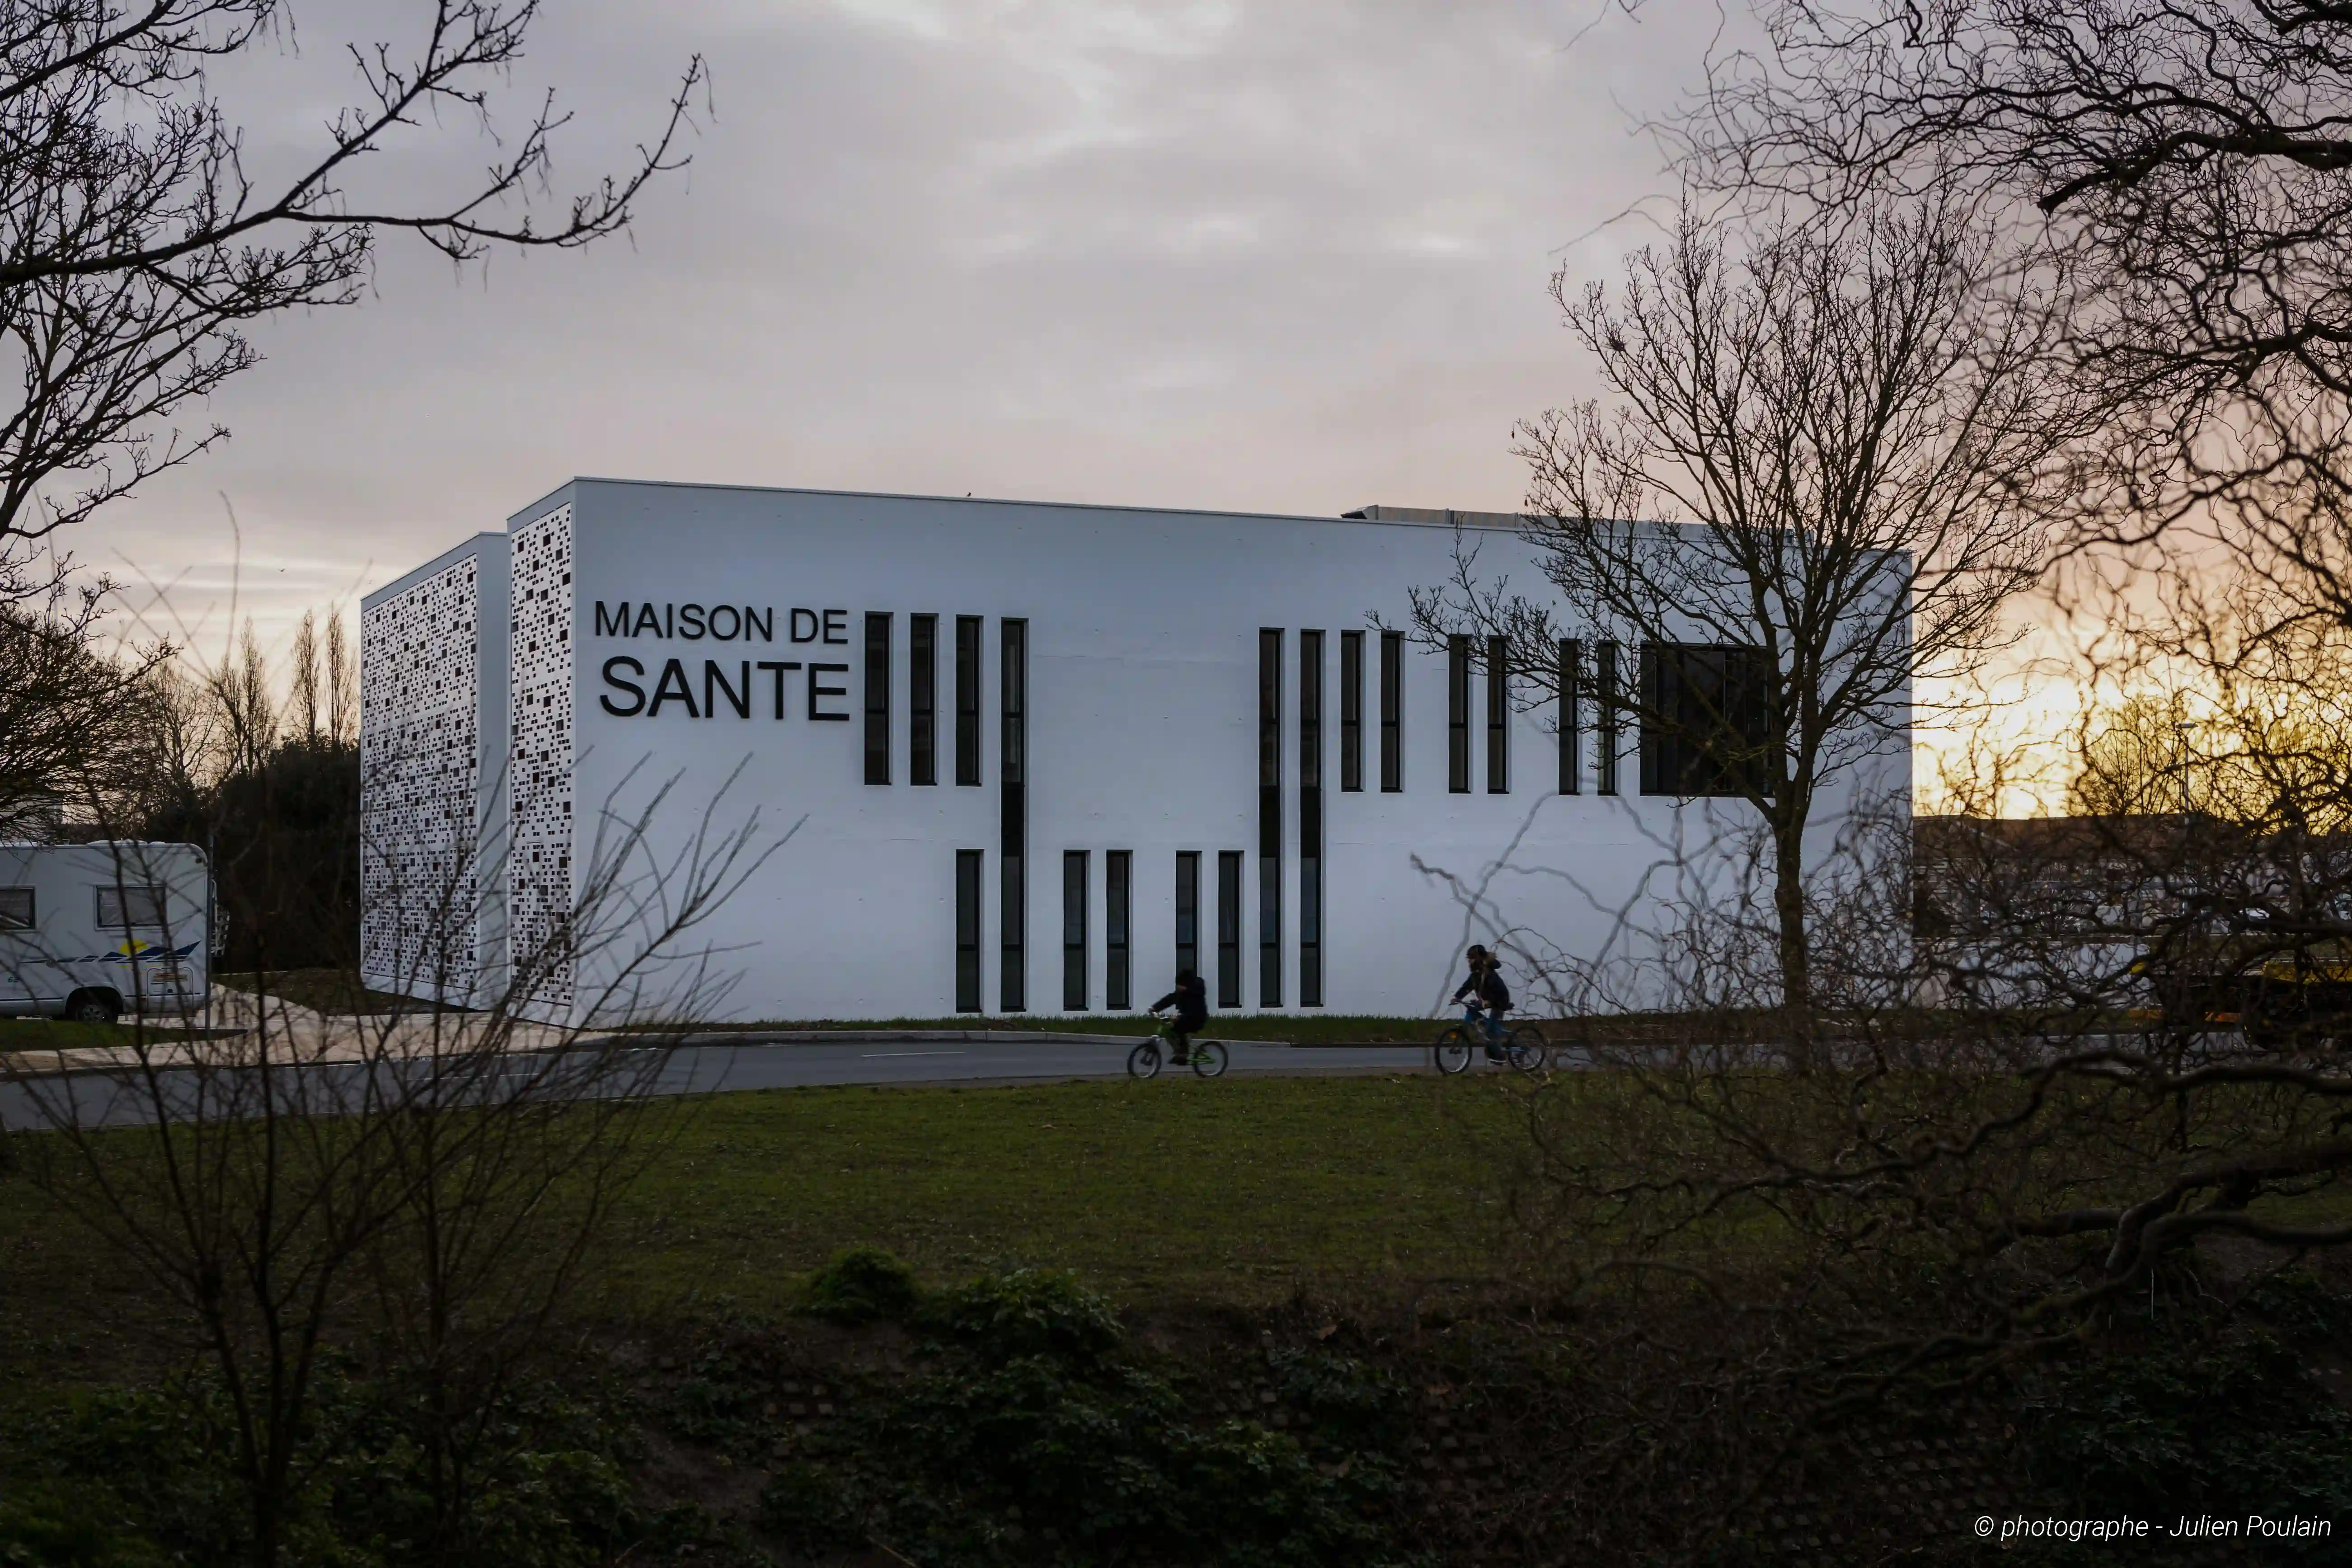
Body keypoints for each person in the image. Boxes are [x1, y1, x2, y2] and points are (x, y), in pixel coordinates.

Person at [1451, 944, 1512, 1062]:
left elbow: (1495, 989)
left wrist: (1489, 1001)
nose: (1469, 962)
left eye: (1471, 958)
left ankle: (1499, 1056)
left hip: (1499, 1000)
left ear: (1478, 958)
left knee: (1490, 1031)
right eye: (1468, 959)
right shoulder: (1475, 975)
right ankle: (1487, 1026)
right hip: (1487, 1001)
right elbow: (1467, 987)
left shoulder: (1488, 972)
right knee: (1472, 1010)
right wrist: (1457, 998)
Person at [1150, 970, 1209, 1066]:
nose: (1177, 987)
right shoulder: (1181, 993)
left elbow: (1194, 1010)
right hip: (1186, 1017)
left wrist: (1179, 1017)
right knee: (1170, 1029)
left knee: (1179, 1028)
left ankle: (1184, 1055)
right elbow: (1169, 1000)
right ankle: (1180, 1052)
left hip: (1197, 1019)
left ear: (1186, 985)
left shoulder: (1197, 993)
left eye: (1179, 985)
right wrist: (1155, 1008)